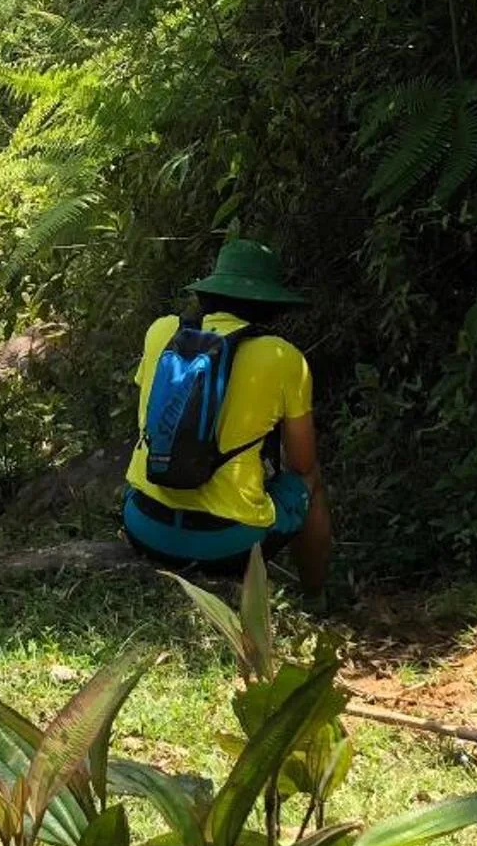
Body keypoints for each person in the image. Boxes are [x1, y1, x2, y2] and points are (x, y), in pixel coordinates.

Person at [121, 238, 334, 598]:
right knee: (310, 480)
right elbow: (302, 462)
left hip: (144, 525)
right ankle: (316, 597)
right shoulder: (284, 357)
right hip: (226, 544)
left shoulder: (162, 331)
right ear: (269, 305)